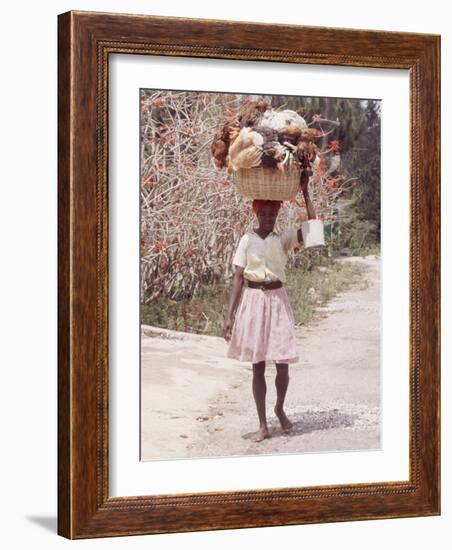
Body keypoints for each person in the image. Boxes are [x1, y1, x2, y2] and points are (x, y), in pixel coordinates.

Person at [223, 178, 317, 443]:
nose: (267, 218)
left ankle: (279, 408)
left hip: (277, 300)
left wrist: (306, 191)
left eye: (272, 214)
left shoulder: (284, 239)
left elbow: (314, 230)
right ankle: (263, 424)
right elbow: (238, 278)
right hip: (253, 301)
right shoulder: (246, 240)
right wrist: (229, 318)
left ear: (277, 215)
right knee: (257, 366)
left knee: (283, 363)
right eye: (263, 213)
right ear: (257, 213)